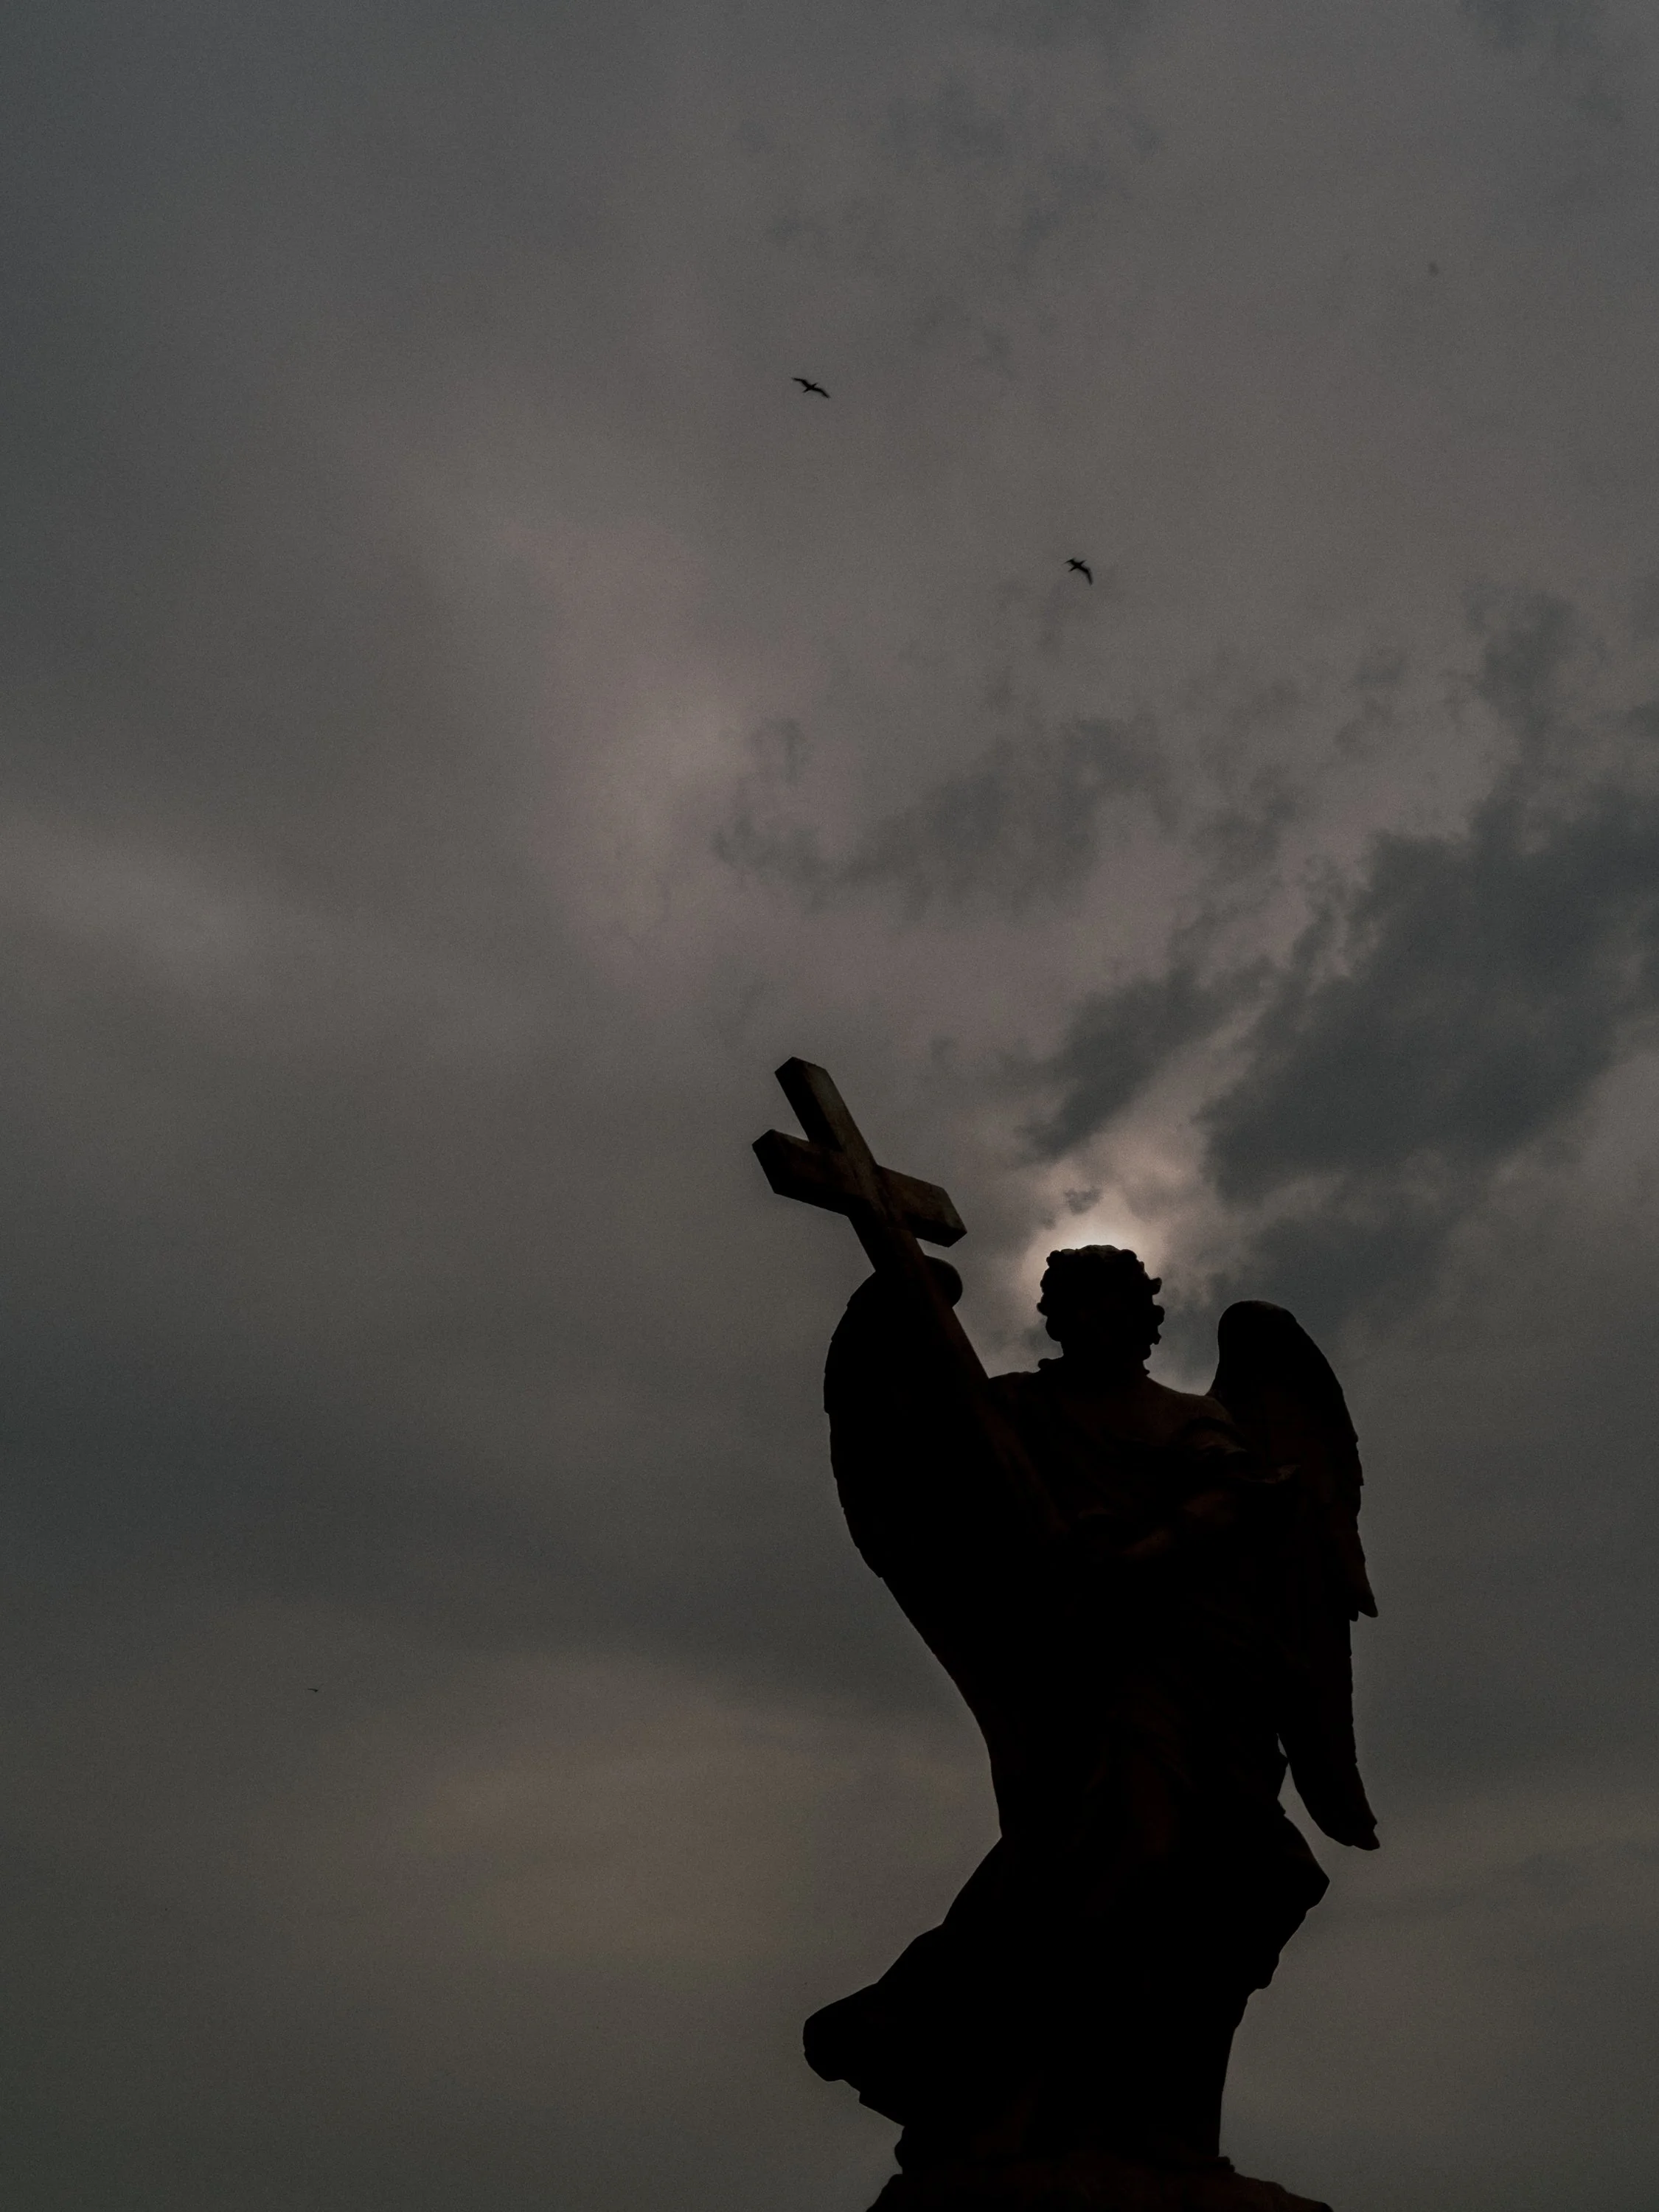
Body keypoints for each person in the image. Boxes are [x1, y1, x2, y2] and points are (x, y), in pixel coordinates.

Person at [805, 1245, 1371, 2206]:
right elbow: (948, 1488)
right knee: (1134, 1850)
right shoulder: (1017, 1415)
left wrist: (1140, 1554)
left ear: (1145, 1317)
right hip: (1103, 1677)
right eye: (1085, 1307)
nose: (1111, 1325)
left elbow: (1242, 1496)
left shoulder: (1190, 1416)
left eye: (1124, 1307)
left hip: (1211, 1667)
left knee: (1249, 1883)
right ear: (1058, 1317)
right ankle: (1014, 2100)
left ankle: (1170, 2133)